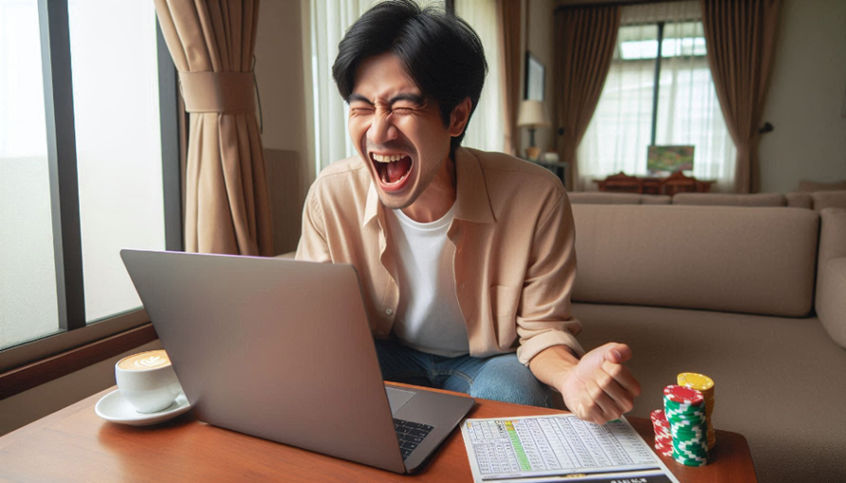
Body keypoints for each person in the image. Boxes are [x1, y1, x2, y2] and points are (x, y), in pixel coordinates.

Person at [296, 0, 640, 424]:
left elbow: (542, 328)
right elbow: (314, 321)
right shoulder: (331, 194)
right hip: (383, 350)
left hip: (491, 359)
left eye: (402, 107)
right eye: (363, 107)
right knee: (326, 391)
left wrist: (572, 378)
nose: (378, 131)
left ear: (457, 116)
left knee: (510, 396)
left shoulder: (536, 197)